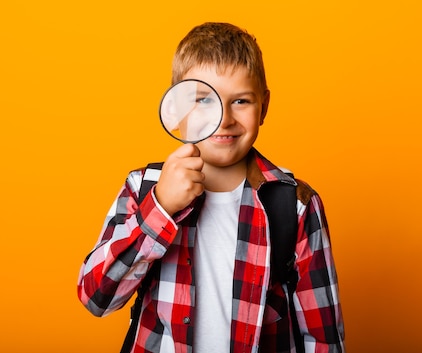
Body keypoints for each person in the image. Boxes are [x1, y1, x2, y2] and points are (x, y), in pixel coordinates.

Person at [77, 22, 345, 353]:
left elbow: (323, 336)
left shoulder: (296, 204)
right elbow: (95, 296)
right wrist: (160, 207)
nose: (224, 119)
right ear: (174, 109)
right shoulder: (143, 188)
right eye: (204, 100)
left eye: (241, 101)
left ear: (265, 106)